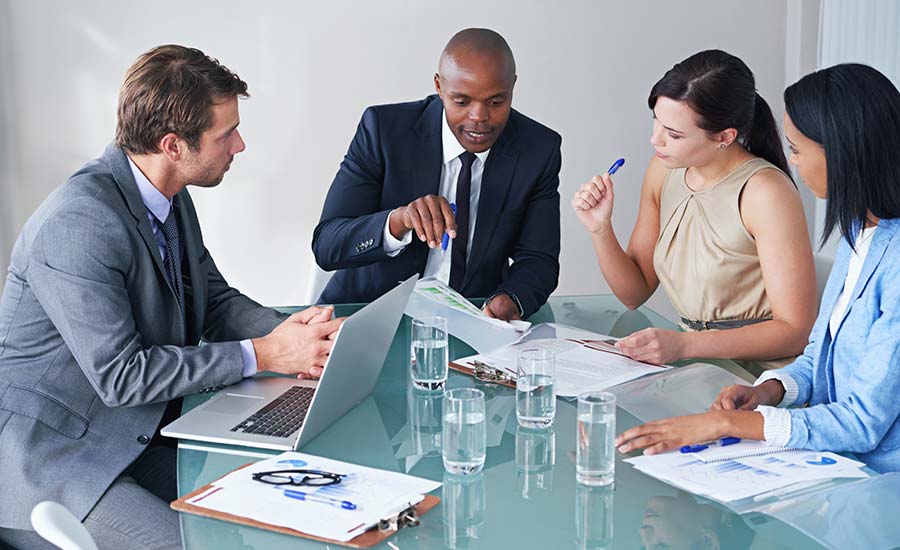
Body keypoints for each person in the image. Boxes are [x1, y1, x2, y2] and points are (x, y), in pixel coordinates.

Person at [0, 45, 343, 549]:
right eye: (226, 134)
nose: (240, 145)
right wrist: (264, 354)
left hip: (135, 435)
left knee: (275, 509)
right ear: (173, 145)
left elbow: (214, 298)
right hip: (51, 462)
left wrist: (297, 335)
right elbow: (122, 376)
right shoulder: (78, 224)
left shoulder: (165, 196)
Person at [615, 64, 900, 474]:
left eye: (798, 150)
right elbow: (819, 356)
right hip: (829, 458)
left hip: (875, 477)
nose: (794, 166)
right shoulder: (861, 233)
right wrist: (769, 390)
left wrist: (732, 423)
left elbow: (861, 423)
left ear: (842, 152)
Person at [573, 50, 816, 376]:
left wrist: (684, 345)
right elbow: (634, 293)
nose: (654, 140)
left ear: (725, 137)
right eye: (656, 122)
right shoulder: (664, 170)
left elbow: (795, 332)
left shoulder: (765, 193)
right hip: (693, 367)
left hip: (762, 377)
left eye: (673, 135)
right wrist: (600, 229)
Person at [313, 28, 562, 321]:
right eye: (462, 101)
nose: (479, 117)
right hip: (367, 316)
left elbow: (538, 260)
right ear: (439, 87)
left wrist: (511, 300)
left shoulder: (538, 149)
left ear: (512, 88)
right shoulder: (383, 131)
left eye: (496, 102)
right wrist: (398, 221)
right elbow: (327, 245)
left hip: (473, 322)